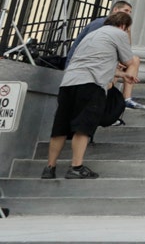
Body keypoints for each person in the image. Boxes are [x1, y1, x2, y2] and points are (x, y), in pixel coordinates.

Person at [43, 10, 132, 179]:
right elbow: (128, 60)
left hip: (68, 82)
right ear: (122, 25)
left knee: (60, 126)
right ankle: (76, 167)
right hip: (91, 83)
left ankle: (49, 168)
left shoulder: (92, 35)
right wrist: (127, 70)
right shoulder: (119, 33)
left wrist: (121, 74)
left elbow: (91, 61)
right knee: (83, 126)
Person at [72, 0, 145, 110]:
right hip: (83, 63)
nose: (128, 14)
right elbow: (91, 47)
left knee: (134, 60)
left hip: (102, 60)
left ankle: (126, 99)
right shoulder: (100, 23)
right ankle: (104, 97)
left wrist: (127, 31)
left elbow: (126, 51)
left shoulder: (119, 27)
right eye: (126, 10)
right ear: (115, 10)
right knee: (117, 64)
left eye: (130, 12)